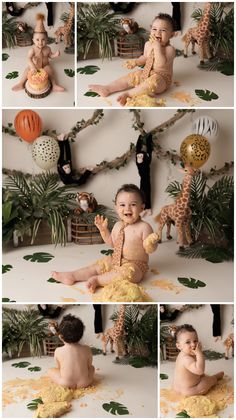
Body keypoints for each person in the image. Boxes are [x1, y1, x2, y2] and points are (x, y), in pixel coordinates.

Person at [51, 184, 159, 292]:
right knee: (97, 266)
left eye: (133, 204)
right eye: (122, 205)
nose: (127, 208)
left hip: (136, 265)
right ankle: (72, 275)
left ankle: (98, 280)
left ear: (142, 207)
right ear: (116, 207)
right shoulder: (118, 225)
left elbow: (150, 249)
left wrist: (150, 243)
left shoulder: (144, 227)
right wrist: (103, 230)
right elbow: (112, 243)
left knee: (127, 274)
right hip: (116, 259)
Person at [88, 13, 176, 106]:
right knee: (134, 75)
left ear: (171, 34)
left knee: (154, 81)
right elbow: (145, 58)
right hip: (147, 73)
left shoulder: (169, 49)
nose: (157, 33)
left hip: (162, 79)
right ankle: (107, 88)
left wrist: (157, 46)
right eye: (154, 29)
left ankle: (129, 94)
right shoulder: (148, 44)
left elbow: (161, 64)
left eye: (163, 30)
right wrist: (136, 62)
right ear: (150, 30)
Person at [12, 13, 64, 92]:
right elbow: (29, 58)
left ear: (47, 40)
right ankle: (21, 83)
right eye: (37, 40)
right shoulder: (32, 50)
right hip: (35, 67)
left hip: (45, 65)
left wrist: (55, 55)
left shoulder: (48, 48)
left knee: (50, 71)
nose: (40, 42)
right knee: (27, 70)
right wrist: (32, 66)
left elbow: (50, 55)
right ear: (33, 40)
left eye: (43, 39)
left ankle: (54, 85)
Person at [173, 324, 224, 396]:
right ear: (178, 346)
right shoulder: (186, 359)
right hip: (189, 390)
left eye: (195, 340)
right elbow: (200, 371)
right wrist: (199, 354)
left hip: (178, 387)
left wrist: (197, 353)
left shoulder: (183, 353)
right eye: (188, 342)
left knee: (201, 376)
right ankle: (214, 378)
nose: (193, 344)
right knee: (206, 382)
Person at [48, 314, 95, 389]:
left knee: (51, 371)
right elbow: (89, 366)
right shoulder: (87, 349)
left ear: (61, 336)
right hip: (84, 382)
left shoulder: (58, 351)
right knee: (92, 368)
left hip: (66, 383)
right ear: (81, 335)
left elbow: (59, 368)